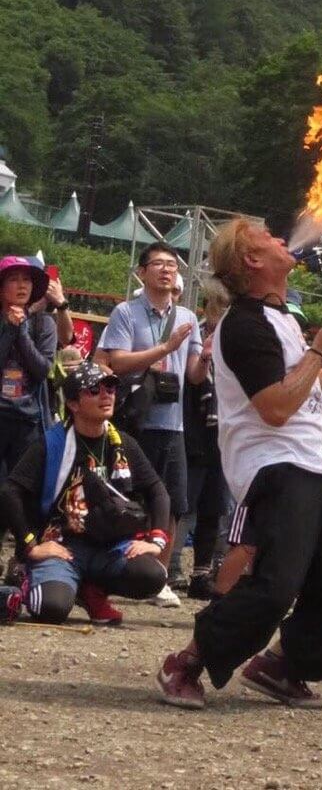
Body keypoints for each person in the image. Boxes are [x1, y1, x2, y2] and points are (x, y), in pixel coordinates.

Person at [156, 218, 322, 711]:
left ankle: (283, 665)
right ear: (251, 261)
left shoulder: (282, 319)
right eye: (268, 239)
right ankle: (188, 661)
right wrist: (319, 352)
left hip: (312, 462)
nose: (283, 240)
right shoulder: (242, 324)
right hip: (272, 466)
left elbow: (302, 396)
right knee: (275, 586)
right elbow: (275, 408)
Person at [0, 361, 169, 624]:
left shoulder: (123, 443)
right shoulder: (51, 443)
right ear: (73, 404)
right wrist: (30, 545)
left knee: (152, 576)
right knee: (51, 609)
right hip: (62, 545)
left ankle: (93, 590)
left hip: (110, 546)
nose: (107, 394)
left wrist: (156, 541)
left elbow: (157, 490)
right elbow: (10, 491)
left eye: (111, 387)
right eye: (94, 390)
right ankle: (24, 576)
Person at [96, 244, 207, 608]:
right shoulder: (126, 312)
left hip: (173, 425)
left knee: (172, 503)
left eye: (172, 265)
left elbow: (192, 376)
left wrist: (205, 357)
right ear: (142, 272)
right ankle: (112, 572)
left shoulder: (188, 315)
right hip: (134, 421)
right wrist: (164, 349)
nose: (166, 270)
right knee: (122, 498)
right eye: (158, 264)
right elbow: (115, 360)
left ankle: (158, 578)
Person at [171, 278, 230, 600]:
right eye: (219, 306)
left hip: (223, 435)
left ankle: (202, 573)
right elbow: (191, 378)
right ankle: (172, 567)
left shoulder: (237, 340)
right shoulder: (194, 334)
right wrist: (206, 354)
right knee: (185, 504)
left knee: (214, 505)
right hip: (194, 426)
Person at [0, 256, 59, 486]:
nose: (22, 285)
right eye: (14, 279)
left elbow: (43, 369)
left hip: (28, 421)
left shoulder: (44, 324)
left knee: (17, 492)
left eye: (27, 280)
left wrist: (21, 330)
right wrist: (9, 330)